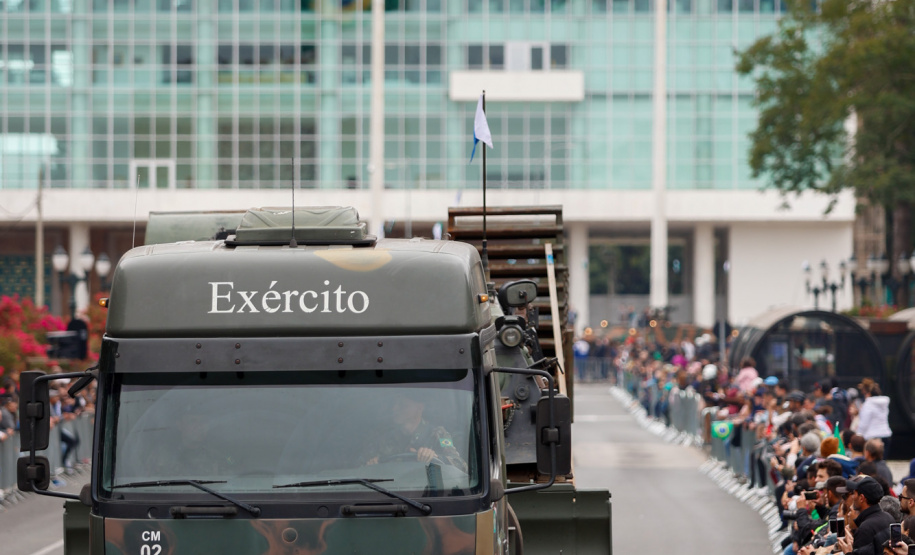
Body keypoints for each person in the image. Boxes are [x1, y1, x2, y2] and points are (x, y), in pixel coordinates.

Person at [365, 391, 467, 472]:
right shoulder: (385, 437)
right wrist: (372, 465)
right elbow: (360, 468)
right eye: (394, 404)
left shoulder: (437, 434)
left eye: (402, 405)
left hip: (427, 493)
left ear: (419, 408)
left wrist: (435, 457)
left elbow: (461, 466)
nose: (394, 409)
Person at [835, 475, 894, 554]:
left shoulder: (865, 528)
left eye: (854, 493)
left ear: (861, 498)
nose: (853, 497)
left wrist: (848, 553)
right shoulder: (888, 516)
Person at [856, 379, 892, 453]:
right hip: (885, 434)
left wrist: (858, 434)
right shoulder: (884, 404)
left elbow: (864, 422)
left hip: (872, 437)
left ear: (869, 393)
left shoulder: (868, 404)